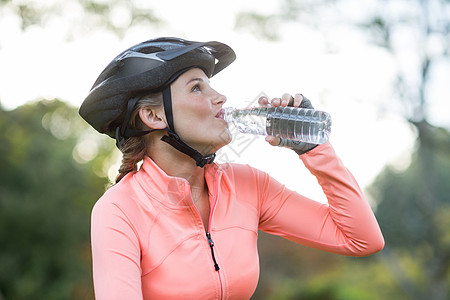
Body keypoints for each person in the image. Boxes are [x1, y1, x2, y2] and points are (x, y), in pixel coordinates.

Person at [79, 37, 384, 300]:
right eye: (197, 88)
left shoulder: (247, 184)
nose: (220, 98)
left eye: (211, 86)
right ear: (153, 117)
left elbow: (361, 239)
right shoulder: (119, 210)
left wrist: (314, 148)